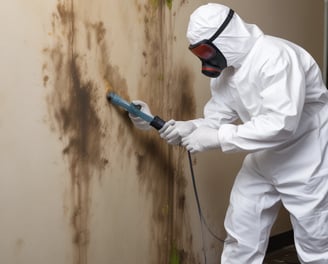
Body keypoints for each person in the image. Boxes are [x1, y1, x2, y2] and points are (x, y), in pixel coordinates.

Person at [129, 3, 328, 263]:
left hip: (307, 157)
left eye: (205, 50)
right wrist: (185, 126)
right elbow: (215, 120)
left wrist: (217, 137)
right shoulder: (227, 74)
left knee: (316, 243)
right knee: (242, 228)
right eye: (198, 51)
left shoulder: (277, 56)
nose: (204, 58)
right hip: (265, 157)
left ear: (225, 36)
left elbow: (281, 125)